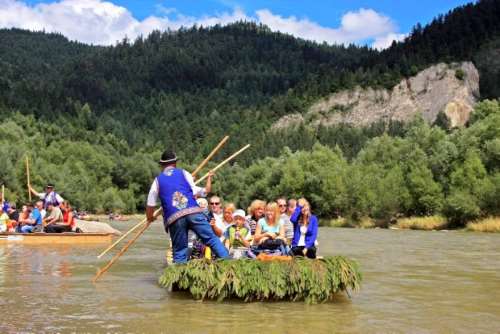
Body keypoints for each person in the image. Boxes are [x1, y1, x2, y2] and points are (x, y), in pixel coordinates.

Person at [146, 150, 229, 263]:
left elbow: (150, 204)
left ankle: (180, 278)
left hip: (174, 217)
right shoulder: (184, 173)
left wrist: (150, 217)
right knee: (211, 239)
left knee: (180, 250)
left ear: (162, 165)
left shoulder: (157, 181)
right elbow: (197, 191)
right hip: (193, 212)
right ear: (175, 163)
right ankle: (229, 264)